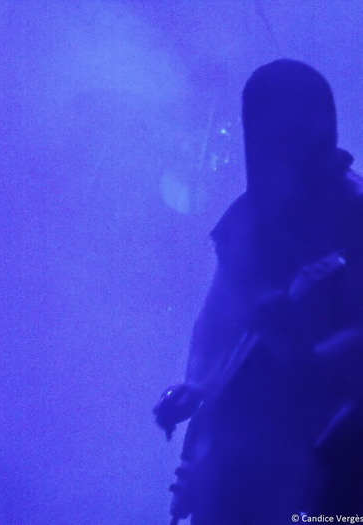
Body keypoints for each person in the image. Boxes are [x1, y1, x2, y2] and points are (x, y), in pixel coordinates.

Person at [154, 59, 363, 523]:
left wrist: (307, 356)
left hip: (325, 463)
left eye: (288, 135)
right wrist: (196, 382)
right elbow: (213, 318)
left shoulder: (355, 214)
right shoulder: (249, 215)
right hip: (236, 463)